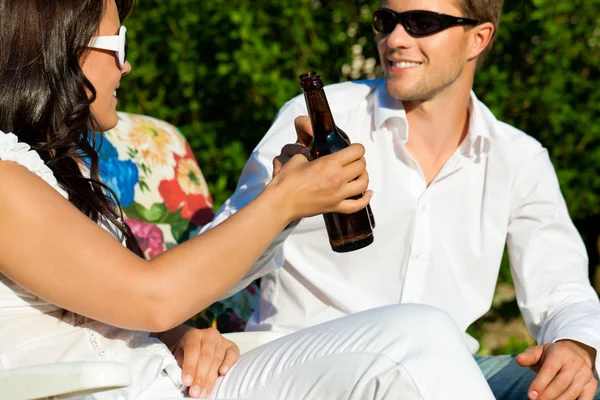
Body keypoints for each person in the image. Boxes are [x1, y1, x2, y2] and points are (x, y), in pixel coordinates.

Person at [0, 0, 499, 399]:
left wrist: (179, 338)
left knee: (424, 336)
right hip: (114, 389)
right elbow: (151, 297)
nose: (126, 64)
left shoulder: (56, 169)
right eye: (116, 43)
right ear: (57, 46)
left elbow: (122, 306)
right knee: (414, 345)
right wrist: (282, 201)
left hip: (171, 381)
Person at [206, 0, 600, 399]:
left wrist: (576, 347)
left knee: (582, 384)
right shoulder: (319, 120)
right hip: (307, 367)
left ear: (478, 39)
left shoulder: (518, 158)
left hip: (446, 371)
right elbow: (211, 269)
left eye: (420, 23)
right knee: (419, 336)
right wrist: (281, 204)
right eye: (386, 21)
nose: (394, 39)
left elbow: (562, 287)